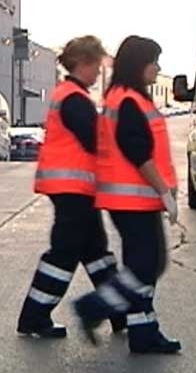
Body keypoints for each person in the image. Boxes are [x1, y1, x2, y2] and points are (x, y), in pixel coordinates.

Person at [73, 36, 182, 355]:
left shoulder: (126, 97)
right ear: (139, 64)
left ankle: (143, 331)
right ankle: (93, 308)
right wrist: (164, 191)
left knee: (147, 266)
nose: (158, 67)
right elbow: (137, 150)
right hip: (132, 199)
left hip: (131, 199)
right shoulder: (129, 100)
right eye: (154, 61)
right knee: (147, 266)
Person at [17, 36, 126, 339]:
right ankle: (34, 317)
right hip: (72, 188)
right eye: (95, 65)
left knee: (95, 251)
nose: (97, 73)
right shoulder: (74, 99)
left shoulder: (69, 94)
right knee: (64, 253)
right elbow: (95, 142)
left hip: (73, 187)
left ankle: (117, 312)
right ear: (83, 63)